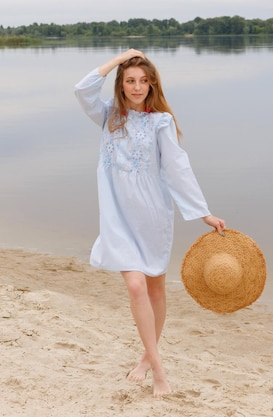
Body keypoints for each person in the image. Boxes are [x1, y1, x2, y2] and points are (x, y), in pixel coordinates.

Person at [74, 49, 225, 397]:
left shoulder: (161, 122)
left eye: (143, 80)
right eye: (130, 81)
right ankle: (159, 369)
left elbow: (177, 168)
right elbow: (81, 89)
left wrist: (203, 212)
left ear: (152, 83)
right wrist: (119, 58)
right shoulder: (108, 115)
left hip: (153, 214)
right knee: (136, 287)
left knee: (156, 289)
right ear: (121, 85)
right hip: (117, 215)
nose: (137, 87)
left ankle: (145, 357)